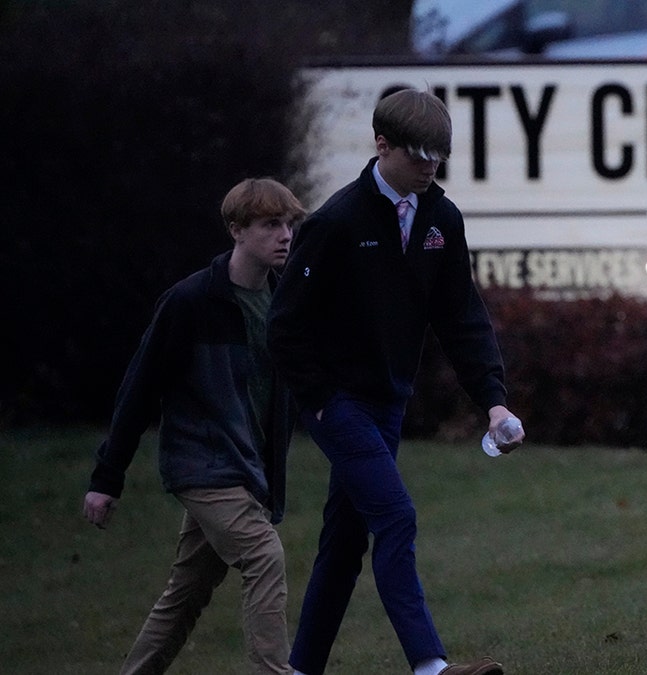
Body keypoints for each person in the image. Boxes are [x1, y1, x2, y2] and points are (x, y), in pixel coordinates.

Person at [267, 88, 522, 675]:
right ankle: (430, 666)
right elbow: (284, 326)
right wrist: (321, 402)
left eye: (439, 155)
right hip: (338, 403)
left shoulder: (441, 217)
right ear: (382, 146)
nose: (430, 166)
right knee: (396, 517)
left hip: (389, 402)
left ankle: (300, 669)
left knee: (343, 541)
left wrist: (493, 402)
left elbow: (460, 316)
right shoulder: (335, 221)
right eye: (418, 154)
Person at [83, 177, 305, 674]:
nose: (285, 235)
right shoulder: (189, 303)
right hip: (201, 463)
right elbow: (138, 390)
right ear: (236, 230)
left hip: (249, 468)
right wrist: (107, 478)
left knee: (186, 595)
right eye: (271, 224)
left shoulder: (283, 302)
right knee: (263, 555)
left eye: (289, 224)